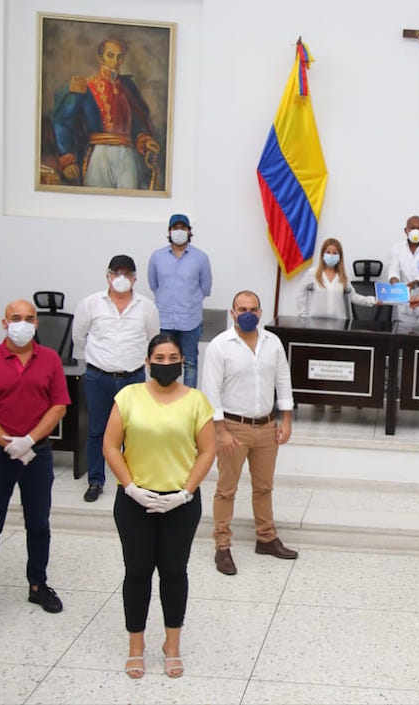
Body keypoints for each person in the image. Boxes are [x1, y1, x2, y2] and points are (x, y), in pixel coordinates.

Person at [103, 333, 216, 679]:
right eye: (159, 358)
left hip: (180, 503)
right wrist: (130, 487)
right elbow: (110, 445)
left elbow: (207, 450)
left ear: (182, 361)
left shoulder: (196, 401)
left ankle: (172, 644)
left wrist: (187, 492)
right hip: (136, 501)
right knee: (137, 573)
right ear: (148, 361)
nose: (166, 364)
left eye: (173, 358)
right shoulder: (128, 396)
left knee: (173, 572)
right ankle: (136, 646)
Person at [0, 299, 70, 629]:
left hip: (37, 454)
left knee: (38, 523)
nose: (22, 323)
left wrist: (28, 440)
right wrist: (7, 442)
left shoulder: (50, 359)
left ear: (37, 323)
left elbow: (59, 406)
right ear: (4, 322)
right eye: (15, 318)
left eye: (28, 318)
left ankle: (37, 585)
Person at [199, 290, 298, 575]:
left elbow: (283, 380)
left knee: (264, 487)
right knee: (226, 489)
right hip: (233, 427)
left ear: (260, 312)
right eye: (241, 308)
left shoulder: (272, 343)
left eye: (253, 309)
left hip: (267, 427)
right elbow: (210, 391)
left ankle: (266, 538)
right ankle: (222, 547)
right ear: (232, 312)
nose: (247, 313)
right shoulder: (220, 346)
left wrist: (286, 418)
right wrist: (220, 431)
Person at [73, 254, 160, 502]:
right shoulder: (91, 304)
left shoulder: (147, 307)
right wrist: (98, 358)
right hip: (97, 377)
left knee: (134, 432)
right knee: (96, 430)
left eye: (126, 274)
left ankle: (131, 481)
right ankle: (96, 481)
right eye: (116, 273)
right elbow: (79, 338)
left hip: (132, 378)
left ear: (134, 278)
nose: (121, 278)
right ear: (108, 276)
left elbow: (153, 340)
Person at [50, 37, 162, 190]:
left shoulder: (128, 87)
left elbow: (137, 118)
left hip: (127, 154)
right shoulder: (85, 86)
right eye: (111, 55)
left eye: (120, 56)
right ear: (100, 57)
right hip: (99, 155)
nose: (116, 61)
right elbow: (63, 121)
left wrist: (144, 138)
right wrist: (67, 157)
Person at [147, 213, 212, 386]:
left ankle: (188, 401)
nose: (179, 231)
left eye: (183, 228)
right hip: (164, 319)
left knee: (190, 362)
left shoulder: (201, 258)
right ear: (169, 231)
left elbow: (205, 288)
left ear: (190, 232)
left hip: (190, 320)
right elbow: (154, 285)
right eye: (175, 228)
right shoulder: (157, 257)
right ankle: (164, 396)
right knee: (163, 361)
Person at [297, 237, 377, 319]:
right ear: (322, 254)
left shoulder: (342, 276)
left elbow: (353, 296)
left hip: (338, 323)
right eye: (328, 252)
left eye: (335, 253)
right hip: (315, 322)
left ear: (340, 256)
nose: (331, 256)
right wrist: (303, 315)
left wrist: (373, 300)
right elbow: (301, 294)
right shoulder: (312, 273)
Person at [387, 215, 419, 325]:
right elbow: (393, 270)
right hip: (404, 305)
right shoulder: (396, 247)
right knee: (403, 339)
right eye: (412, 228)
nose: (415, 231)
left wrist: (412, 285)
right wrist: (394, 282)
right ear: (406, 230)